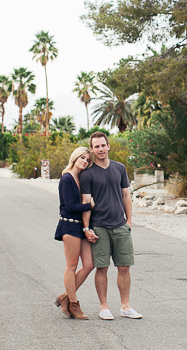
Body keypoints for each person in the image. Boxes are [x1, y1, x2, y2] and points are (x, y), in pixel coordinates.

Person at [81, 132, 142, 320]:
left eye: (103, 145)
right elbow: (86, 202)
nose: (100, 149)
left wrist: (129, 221)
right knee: (102, 267)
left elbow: (126, 196)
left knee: (124, 267)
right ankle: (104, 307)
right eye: (96, 146)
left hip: (120, 225)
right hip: (99, 226)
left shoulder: (120, 168)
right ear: (91, 150)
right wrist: (86, 227)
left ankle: (125, 307)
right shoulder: (87, 173)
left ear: (109, 146)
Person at [53, 147, 99, 320]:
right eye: (82, 158)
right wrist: (90, 206)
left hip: (81, 227)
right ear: (75, 157)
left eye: (87, 160)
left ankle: (64, 297)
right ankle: (73, 303)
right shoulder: (66, 179)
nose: (85, 161)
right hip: (69, 226)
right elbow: (70, 206)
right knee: (71, 265)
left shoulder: (81, 178)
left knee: (89, 264)